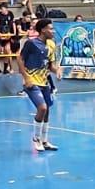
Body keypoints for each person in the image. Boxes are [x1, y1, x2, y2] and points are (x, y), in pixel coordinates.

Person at [19, 18, 61, 152]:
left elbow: (50, 65)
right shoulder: (31, 43)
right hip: (32, 81)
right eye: (51, 29)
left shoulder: (51, 45)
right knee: (42, 108)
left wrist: (57, 71)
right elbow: (19, 59)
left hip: (44, 81)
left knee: (47, 110)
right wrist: (26, 78)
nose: (53, 31)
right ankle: (36, 139)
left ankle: (45, 141)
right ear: (43, 30)